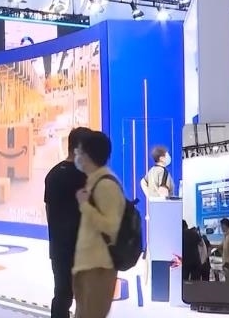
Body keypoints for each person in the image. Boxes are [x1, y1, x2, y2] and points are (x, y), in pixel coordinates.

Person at [72, 131, 125, 318]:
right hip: (88, 267)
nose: (77, 156)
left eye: (79, 151)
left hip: (99, 268)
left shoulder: (106, 185)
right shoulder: (94, 182)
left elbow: (111, 226)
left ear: (87, 155)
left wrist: (85, 206)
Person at [44, 127, 92, 318]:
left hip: (59, 249)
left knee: (62, 296)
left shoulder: (53, 174)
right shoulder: (88, 176)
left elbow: (49, 212)